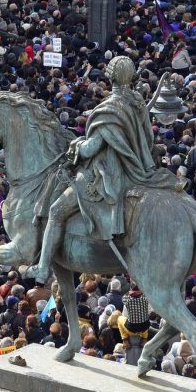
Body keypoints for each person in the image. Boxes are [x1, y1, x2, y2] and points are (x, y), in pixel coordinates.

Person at [27, 58, 181, 283]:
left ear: (110, 77)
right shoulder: (137, 101)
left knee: (57, 211)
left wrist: (77, 144)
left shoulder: (108, 109)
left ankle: (42, 269)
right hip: (136, 165)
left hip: (107, 172)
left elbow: (91, 149)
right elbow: (147, 139)